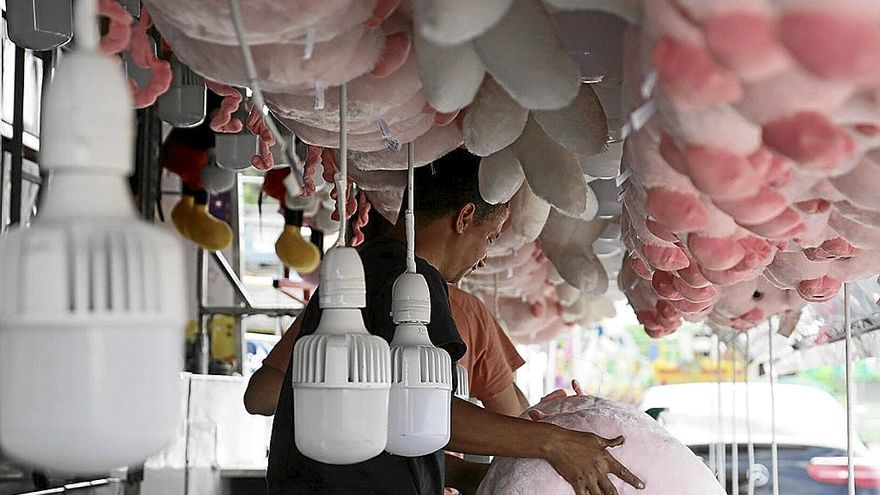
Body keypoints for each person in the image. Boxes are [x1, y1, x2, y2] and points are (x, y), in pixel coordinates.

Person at [264, 148, 644, 495]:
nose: (484, 258)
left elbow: (386, 421)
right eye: (490, 238)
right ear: (465, 218)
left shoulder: (368, 268)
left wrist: (484, 478)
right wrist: (555, 443)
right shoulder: (411, 280)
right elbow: (426, 409)